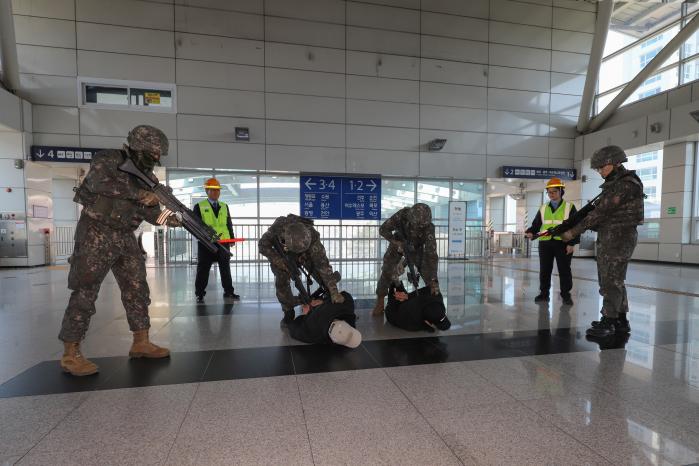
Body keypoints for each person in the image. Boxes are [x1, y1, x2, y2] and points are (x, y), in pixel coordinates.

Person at [59, 125, 179, 376]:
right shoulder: (109, 159)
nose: (156, 158)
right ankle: (71, 354)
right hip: (96, 231)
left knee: (137, 287)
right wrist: (141, 193)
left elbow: (149, 211)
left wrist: (169, 217)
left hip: (125, 236)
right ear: (137, 146)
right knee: (85, 290)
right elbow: (98, 183)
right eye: (152, 153)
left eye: (159, 154)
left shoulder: (148, 178)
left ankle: (141, 342)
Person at [561, 145, 644, 337]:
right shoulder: (614, 184)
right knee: (615, 280)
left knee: (610, 280)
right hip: (611, 236)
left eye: (602, 167)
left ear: (615, 163)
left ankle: (609, 321)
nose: (599, 171)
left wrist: (571, 233)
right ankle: (620, 320)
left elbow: (599, 213)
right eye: (597, 168)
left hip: (619, 237)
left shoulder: (625, 184)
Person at [259, 214, 344, 325]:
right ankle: (288, 311)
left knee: (321, 276)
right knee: (281, 282)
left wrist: (334, 291)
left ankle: (327, 299)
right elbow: (262, 245)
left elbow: (323, 265)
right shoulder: (278, 228)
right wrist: (279, 261)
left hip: (305, 255)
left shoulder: (312, 237)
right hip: (282, 257)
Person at [373, 203, 439, 316]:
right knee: (388, 270)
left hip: (416, 248)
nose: (419, 228)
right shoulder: (401, 216)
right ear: (410, 217)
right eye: (416, 225)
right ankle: (380, 300)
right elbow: (383, 229)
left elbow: (431, 255)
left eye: (422, 226)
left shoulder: (429, 228)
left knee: (428, 274)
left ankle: (435, 307)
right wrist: (396, 243)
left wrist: (433, 279)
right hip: (398, 244)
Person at [525, 178, 579, 305]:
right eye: (549, 192)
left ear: (561, 191)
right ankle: (544, 294)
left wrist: (572, 243)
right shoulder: (543, 208)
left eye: (554, 192)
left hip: (563, 243)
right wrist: (530, 232)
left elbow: (577, 227)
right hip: (545, 243)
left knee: (564, 270)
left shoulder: (569, 207)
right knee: (545, 270)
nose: (551, 195)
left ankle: (566, 295)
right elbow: (536, 224)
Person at [193, 177, 239, 303]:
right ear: (207, 191)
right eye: (212, 190)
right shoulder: (199, 206)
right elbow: (195, 226)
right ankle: (200, 294)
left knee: (225, 268)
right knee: (203, 268)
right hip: (206, 244)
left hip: (223, 243)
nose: (215, 193)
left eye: (217, 190)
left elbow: (228, 224)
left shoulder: (224, 206)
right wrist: (204, 238)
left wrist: (231, 239)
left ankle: (229, 292)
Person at [287, 292, 361, 348]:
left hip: (320, 310)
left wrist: (323, 302)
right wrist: (307, 314)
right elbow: (293, 328)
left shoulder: (348, 306)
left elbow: (346, 295)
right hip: (317, 313)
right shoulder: (314, 333)